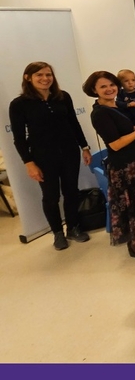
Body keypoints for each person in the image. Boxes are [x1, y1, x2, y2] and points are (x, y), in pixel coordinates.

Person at [82, 71, 135, 261]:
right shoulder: (100, 113)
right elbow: (115, 144)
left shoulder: (119, 106)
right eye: (103, 86)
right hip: (125, 167)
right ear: (94, 90)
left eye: (112, 84)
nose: (109, 89)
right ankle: (134, 244)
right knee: (132, 207)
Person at [9, 62, 93, 250]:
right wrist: (29, 163)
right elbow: (19, 138)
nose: (45, 78)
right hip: (43, 157)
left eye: (48, 74)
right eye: (39, 75)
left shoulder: (63, 97)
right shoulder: (19, 104)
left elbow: (74, 123)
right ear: (28, 78)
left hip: (69, 152)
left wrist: (84, 147)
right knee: (50, 196)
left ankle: (73, 227)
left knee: (71, 191)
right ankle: (57, 233)